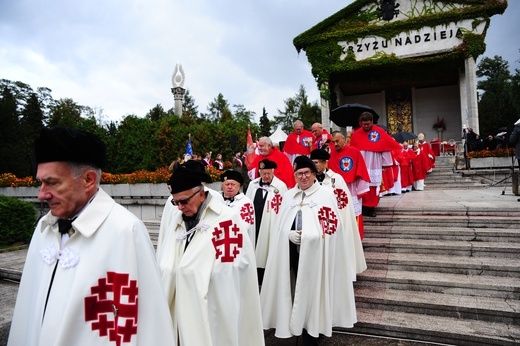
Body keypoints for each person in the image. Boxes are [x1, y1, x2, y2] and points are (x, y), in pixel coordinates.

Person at [8, 127, 175, 345]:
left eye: (52, 182)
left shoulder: (125, 231)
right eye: (40, 182)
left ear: (88, 179)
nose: (42, 194)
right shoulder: (44, 228)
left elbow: (150, 326)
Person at [156, 164, 264, 346]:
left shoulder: (227, 220)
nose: (180, 207)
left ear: (200, 194)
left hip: (211, 312)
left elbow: (232, 271)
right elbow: (166, 262)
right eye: (175, 202)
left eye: (183, 201)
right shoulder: (177, 221)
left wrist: (194, 273)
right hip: (180, 310)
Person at [260, 156, 357, 345]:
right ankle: (295, 323)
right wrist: (288, 235)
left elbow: (332, 229)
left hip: (318, 255)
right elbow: (280, 227)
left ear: (314, 174)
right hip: (291, 254)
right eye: (298, 174)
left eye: (306, 173)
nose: (303, 177)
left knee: (314, 291)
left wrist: (309, 237)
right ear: (294, 176)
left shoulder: (325, 195)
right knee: (295, 288)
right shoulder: (289, 196)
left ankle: (312, 328)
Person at [310, 149, 367, 275]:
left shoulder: (336, 179)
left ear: (325, 163)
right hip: (313, 221)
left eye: (316, 162)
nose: (314, 165)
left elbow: (343, 204)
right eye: (312, 162)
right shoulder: (309, 179)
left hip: (331, 222)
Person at [349, 112, 401, 217]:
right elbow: (353, 151)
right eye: (364, 124)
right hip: (361, 165)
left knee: (373, 188)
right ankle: (362, 207)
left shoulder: (379, 132)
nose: (366, 126)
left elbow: (385, 148)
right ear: (361, 123)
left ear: (372, 122)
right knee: (361, 186)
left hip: (374, 164)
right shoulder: (356, 134)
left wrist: (386, 163)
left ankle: (371, 208)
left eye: (368, 124)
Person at [245, 159, 288, 286]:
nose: (266, 176)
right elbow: (246, 204)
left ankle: (266, 278)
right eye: (263, 173)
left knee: (267, 248)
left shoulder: (280, 186)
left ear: (273, 172)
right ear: (259, 172)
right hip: (255, 222)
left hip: (271, 224)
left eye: (269, 173)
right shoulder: (253, 185)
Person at [328, 131, 370, 238]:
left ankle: (357, 238)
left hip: (352, 188)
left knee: (354, 214)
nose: (335, 144)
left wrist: (360, 189)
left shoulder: (354, 152)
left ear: (344, 140)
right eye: (333, 142)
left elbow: (361, 170)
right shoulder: (330, 154)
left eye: (337, 141)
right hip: (337, 190)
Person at [221, 169, 256, 246]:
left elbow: (246, 226)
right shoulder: (216, 199)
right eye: (227, 184)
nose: (229, 187)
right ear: (222, 185)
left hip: (237, 242)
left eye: (233, 184)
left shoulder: (246, 202)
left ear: (239, 186)